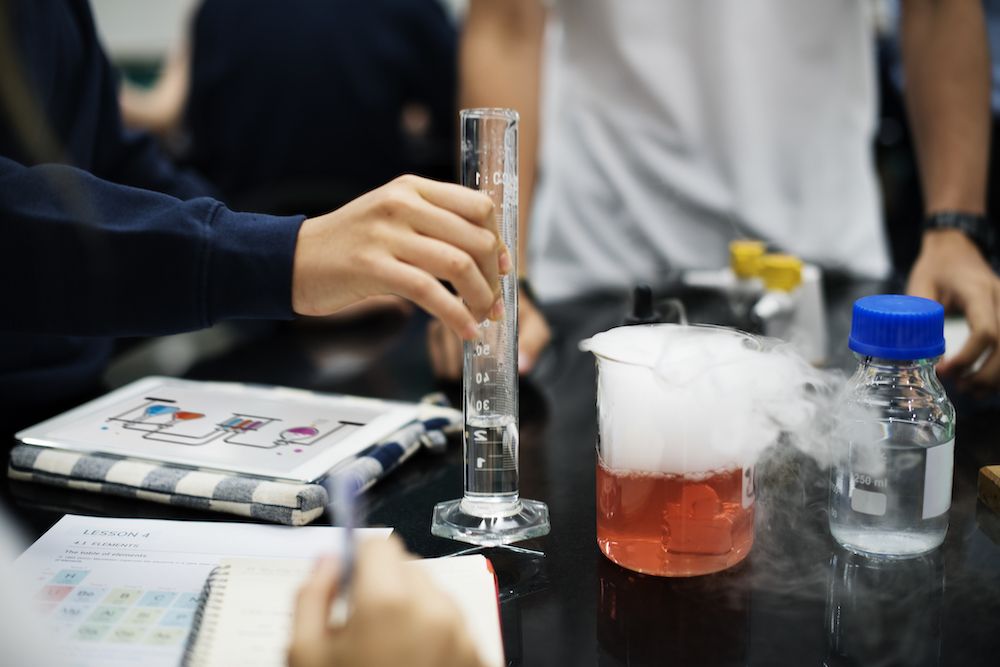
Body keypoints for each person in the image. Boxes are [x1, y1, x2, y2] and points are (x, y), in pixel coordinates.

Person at [429, 0, 1000, 394]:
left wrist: (955, 228)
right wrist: (499, 273)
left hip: (822, 283)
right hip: (597, 277)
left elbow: (939, 7)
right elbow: (507, 21)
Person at [0, 0, 510, 435]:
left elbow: (117, 158)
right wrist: (285, 257)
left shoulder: (210, 12)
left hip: (83, 397)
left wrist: (289, 256)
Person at [119, 0, 459, 217]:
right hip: (384, 241)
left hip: (247, 242)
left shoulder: (216, 11)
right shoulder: (409, 8)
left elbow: (200, 132)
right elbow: (456, 121)